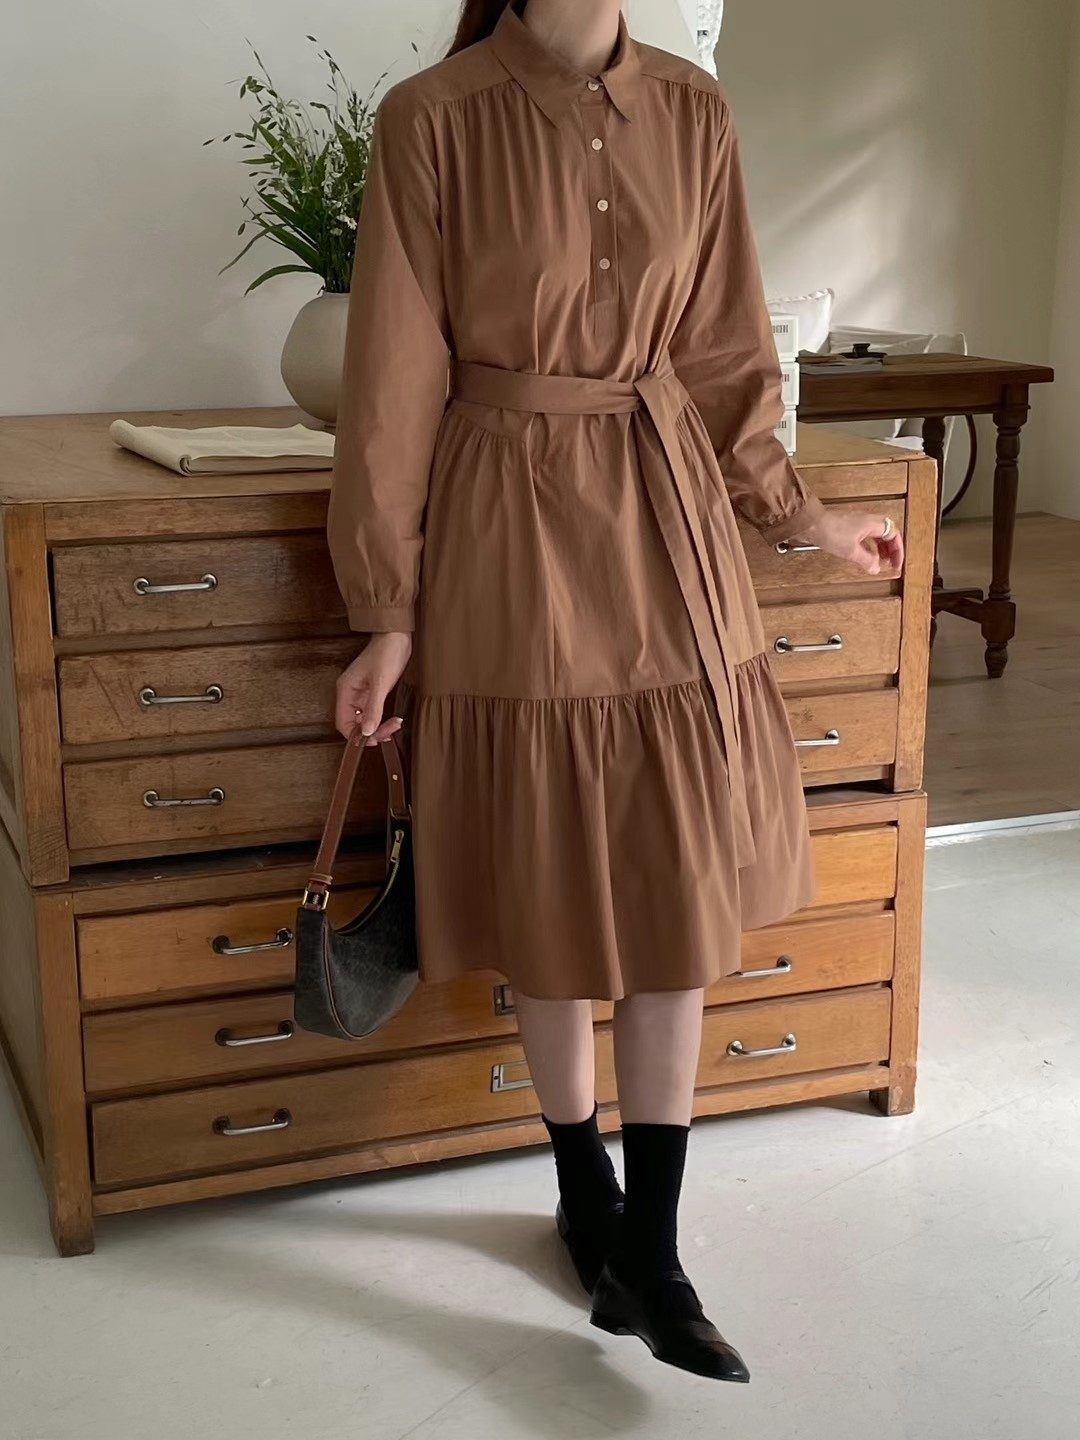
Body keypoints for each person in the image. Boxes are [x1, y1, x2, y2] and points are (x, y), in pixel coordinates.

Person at [328, 0, 904, 1384]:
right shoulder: (435, 117)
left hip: (667, 519)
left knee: (668, 875)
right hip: (507, 522)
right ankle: (583, 1183)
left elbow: (727, 357)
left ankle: (655, 1248)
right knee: (547, 874)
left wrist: (802, 518)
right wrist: (387, 614)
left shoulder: (696, 114)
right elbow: (392, 379)